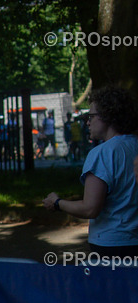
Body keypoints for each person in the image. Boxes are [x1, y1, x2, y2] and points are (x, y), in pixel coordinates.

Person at [43, 86, 138, 256]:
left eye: (91, 116)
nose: (87, 122)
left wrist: (57, 202)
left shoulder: (102, 153)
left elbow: (90, 209)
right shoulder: (135, 145)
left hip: (111, 243)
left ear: (108, 116)